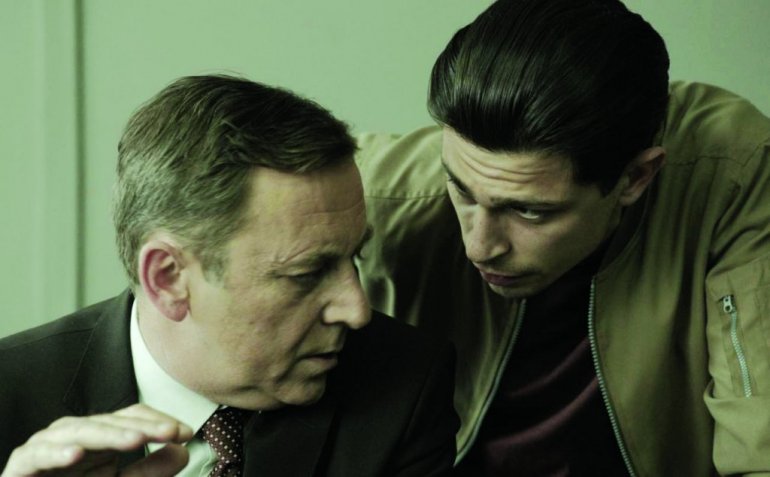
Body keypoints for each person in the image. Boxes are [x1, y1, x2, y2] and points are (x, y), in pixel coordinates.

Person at [354, 0, 770, 475]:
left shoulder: (734, 174)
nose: (479, 247)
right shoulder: (375, 192)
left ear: (635, 177)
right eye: (461, 190)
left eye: (529, 210)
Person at [0, 75, 459, 476]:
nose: (357, 310)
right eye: (307, 273)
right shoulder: (10, 397)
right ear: (168, 278)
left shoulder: (402, 388)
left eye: (353, 257)